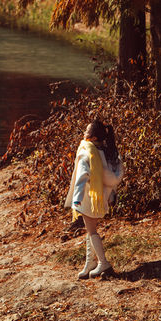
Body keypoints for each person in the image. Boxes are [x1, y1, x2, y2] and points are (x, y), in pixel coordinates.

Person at [64, 118, 125, 279]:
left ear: (93, 138)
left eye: (86, 131)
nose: (83, 133)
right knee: (90, 231)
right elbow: (115, 173)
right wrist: (112, 194)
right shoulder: (107, 151)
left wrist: (76, 200)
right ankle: (89, 263)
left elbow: (82, 177)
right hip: (100, 198)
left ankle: (103, 263)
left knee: (91, 232)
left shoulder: (87, 152)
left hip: (89, 198)